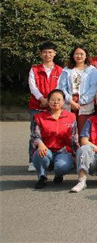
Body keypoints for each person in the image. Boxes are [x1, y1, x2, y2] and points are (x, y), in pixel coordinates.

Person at [31, 89, 78, 189]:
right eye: (52, 100)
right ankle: (42, 176)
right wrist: (40, 144)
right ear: (48, 101)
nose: (55, 102)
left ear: (63, 101)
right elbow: (35, 135)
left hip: (63, 151)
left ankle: (59, 174)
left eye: (58, 100)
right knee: (40, 154)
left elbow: (74, 138)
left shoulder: (71, 117)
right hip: (46, 149)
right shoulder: (39, 117)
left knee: (62, 166)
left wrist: (76, 155)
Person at [27, 42, 63, 171]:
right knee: (35, 134)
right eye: (45, 52)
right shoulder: (34, 69)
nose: (47, 54)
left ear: (54, 53)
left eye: (50, 52)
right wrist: (42, 99)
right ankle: (32, 161)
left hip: (54, 107)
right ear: (41, 54)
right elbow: (32, 86)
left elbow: (60, 86)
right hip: (37, 106)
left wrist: (50, 100)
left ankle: (52, 159)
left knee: (54, 133)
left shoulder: (60, 70)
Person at [57, 45, 97, 133]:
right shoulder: (66, 70)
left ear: (86, 56)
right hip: (69, 102)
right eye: (76, 54)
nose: (79, 56)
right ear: (73, 56)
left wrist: (80, 102)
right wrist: (71, 102)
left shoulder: (92, 70)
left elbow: (93, 88)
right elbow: (62, 87)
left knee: (83, 131)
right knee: (68, 131)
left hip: (85, 104)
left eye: (81, 54)